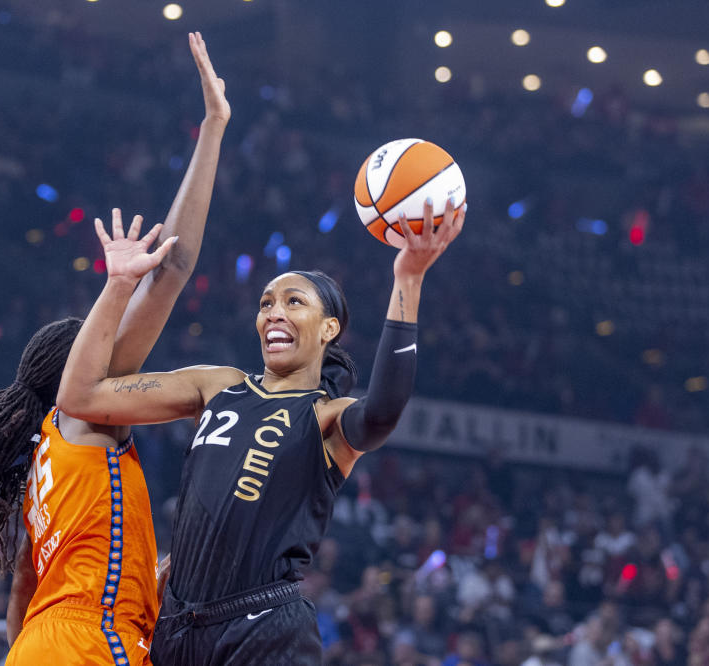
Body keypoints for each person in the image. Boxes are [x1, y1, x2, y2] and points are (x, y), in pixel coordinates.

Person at [0, 31, 230, 666]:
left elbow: (22, 595)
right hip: (91, 644)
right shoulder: (83, 413)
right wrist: (214, 129)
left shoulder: (42, 463)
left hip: (41, 643)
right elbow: (173, 271)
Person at [57, 198, 465, 664]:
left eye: (295, 302)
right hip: (176, 626)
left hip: (264, 626)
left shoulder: (327, 416)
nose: (274, 312)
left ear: (329, 328)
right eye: (266, 302)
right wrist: (118, 285)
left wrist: (407, 280)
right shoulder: (217, 385)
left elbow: (384, 411)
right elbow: (81, 397)